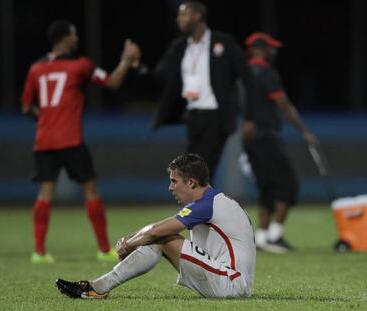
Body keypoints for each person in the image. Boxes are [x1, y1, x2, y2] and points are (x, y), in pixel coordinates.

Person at [21, 20, 141, 263]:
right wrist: (126, 62)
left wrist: (45, 120)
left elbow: (25, 107)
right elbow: (112, 82)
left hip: (44, 140)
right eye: (74, 35)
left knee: (45, 194)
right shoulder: (80, 65)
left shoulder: (36, 68)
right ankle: (104, 248)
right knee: (90, 190)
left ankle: (39, 252)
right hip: (70, 139)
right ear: (64, 38)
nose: (77, 39)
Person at [56, 153, 256, 299]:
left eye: (174, 181)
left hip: (231, 283)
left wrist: (128, 244)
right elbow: (157, 228)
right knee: (159, 236)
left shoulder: (206, 204)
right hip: (232, 281)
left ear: (192, 183)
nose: (170, 187)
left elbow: (157, 231)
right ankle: (97, 287)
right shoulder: (212, 201)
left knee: (162, 238)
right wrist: (133, 240)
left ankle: (97, 288)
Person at [152, 1, 257, 180]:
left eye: (184, 14)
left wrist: (250, 117)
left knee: (202, 169)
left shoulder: (223, 42)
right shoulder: (180, 47)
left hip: (217, 116)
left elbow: (248, 79)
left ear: (198, 16)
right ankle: (206, 207)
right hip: (193, 117)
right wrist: (136, 65)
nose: (179, 19)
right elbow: (160, 75)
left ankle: (202, 207)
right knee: (193, 172)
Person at [242, 32, 317, 253]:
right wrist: (304, 131)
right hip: (266, 136)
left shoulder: (243, 73)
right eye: (271, 48)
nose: (273, 52)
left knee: (266, 187)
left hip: (249, 138)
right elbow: (283, 105)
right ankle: (275, 236)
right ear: (262, 49)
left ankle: (262, 237)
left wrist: (246, 121)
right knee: (289, 185)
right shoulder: (266, 72)